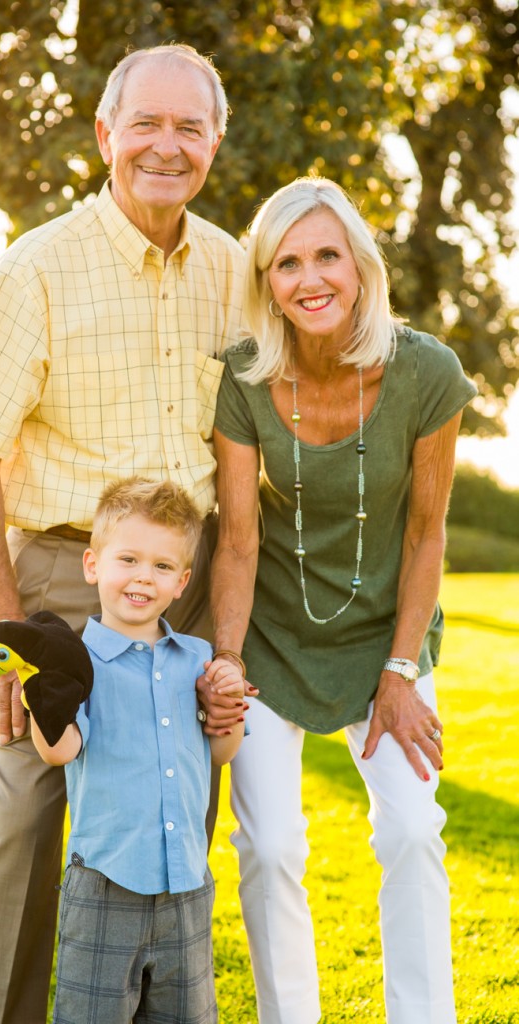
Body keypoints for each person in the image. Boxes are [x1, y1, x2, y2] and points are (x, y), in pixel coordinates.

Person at [0, 44, 247, 1024]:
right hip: (64, 591)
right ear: (106, 135)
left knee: (166, 817)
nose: (166, 145)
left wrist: (225, 637)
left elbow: (243, 461)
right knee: (28, 814)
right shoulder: (34, 269)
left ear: (214, 143)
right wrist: (5, 630)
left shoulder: (236, 270)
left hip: (183, 591)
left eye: (188, 127)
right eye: (144, 124)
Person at [206, 176, 477, 1024]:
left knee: (409, 831)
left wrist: (401, 669)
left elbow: (425, 533)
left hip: (387, 644)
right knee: (272, 846)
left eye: (327, 254)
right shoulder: (245, 379)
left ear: (359, 265)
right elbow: (239, 540)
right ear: (267, 282)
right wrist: (225, 660)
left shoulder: (426, 371)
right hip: (273, 640)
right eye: (287, 262)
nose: (309, 277)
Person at [30, 477, 245, 1024]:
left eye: (162, 566)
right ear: (92, 564)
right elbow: (60, 751)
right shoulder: (75, 661)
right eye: (128, 559)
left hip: (186, 888)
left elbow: (221, 752)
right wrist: (46, 697)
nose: (143, 577)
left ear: (182, 582)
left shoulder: (197, 658)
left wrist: (227, 698)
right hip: (105, 885)